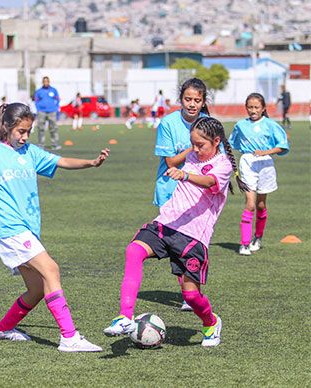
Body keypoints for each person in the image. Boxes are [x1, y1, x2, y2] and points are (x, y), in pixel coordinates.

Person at [0, 102, 109, 352]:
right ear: (6, 127)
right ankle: (69, 337)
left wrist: (91, 162)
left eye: (28, 131)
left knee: (36, 290)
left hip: (25, 227)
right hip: (6, 226)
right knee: (51, 270)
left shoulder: (30, 152)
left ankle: (1, 330)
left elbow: (61, 160)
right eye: (20, 131)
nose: (24, 136)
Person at [103, 117, 247, 347]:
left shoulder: (224, 165)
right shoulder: (192, 155)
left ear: (217, 141)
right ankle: (125, 317)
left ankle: (211, 323)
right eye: (193, 144)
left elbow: (210, 182)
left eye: (201, 145)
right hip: (166, 223)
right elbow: (172, 160)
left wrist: (185, 175)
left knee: (190, 296)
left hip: (193, 236)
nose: (196, 149)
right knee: (133, 251)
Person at [154, 78, 210, 311]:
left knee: (194, 242)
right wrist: (195, 145)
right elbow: (170, 162)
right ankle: (189, 294)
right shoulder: (168, 123)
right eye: (188, 99)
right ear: (181, 100)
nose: (192, 104)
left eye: (197, 100)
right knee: (178, 243)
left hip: (197, 191)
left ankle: (191, 292)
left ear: (203, 102)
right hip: (171, 189)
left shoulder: (209, 123)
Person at [229, 93, 289, 256]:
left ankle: (258, 238)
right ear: (246, 108)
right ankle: (244, 244)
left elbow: (283, 146)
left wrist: (265, 152)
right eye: (250, 107)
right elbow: (231, 143)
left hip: (265, 164)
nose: (253, 110)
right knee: (250, 204)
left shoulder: (271, 125)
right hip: (248, 163)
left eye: (256, 107)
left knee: (261, 205)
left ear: (263, 109)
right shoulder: (240, 125)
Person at [34, 76, 61, 150]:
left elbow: (57, 99)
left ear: (49, 82)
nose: (46, 83)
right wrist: (38, 108)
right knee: (41, 128)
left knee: (53, 128)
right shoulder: (39, 91)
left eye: (47, 81)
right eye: (44, 81)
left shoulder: (54, 90)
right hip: (41, 112)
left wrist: (56, 107)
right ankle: (41, 144)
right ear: (43, 82)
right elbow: (36, 100)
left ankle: (55, 144)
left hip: (52, 111)